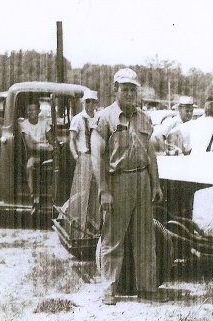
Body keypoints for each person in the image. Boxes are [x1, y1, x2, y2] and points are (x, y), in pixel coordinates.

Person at [91, 68, 164, 305]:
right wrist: (104, 190)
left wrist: (155, 184)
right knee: (113, 237)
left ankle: (147, 287)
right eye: (125, 89)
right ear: (115, 90)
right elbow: (97, 156)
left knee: (145, 238)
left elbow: (150, 153)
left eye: (133, 89)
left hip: (142, 179)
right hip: (117, 180)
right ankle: (109, 288)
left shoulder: (144, 118)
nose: (130, 93)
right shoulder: (105, 118)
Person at [62, 89, 101, 238]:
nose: (90, 104)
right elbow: (71, 140)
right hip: (84, 157)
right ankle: (77, 229)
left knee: (96, 192)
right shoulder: (78, 119)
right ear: (84, 103)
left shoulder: (99, 118)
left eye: (93, 101)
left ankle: (94, 227)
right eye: (87, 101)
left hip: (97, 158)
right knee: (82, 192)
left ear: (96, 103)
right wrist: (75, 156)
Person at [19, 99, 54, 214]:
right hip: (34, 154)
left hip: (46, 155)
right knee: (30, 166)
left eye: (33, 110)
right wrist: (46, 146)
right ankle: (35, 199)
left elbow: (52, 141)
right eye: (29, 110)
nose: (30, 112)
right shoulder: (24, 125)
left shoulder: (44, 123)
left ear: (39, 111)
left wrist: (46, 146)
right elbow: (30, 146)